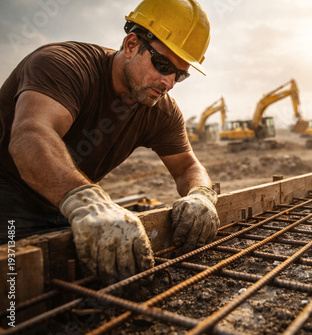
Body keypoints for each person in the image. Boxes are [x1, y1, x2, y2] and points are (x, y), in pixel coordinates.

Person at [0, 0, 220, 283]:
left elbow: (187, 164)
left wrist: (201, 193)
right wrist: (87, 201)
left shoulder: (159, 107)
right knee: (16, 306)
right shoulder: (63, 65)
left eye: (181, 74)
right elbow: (30, 136)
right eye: (163, 64)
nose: (169, 82)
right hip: (8, 203)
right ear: (131, 45)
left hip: (64, 208)